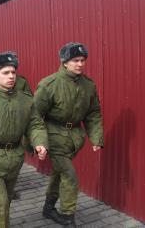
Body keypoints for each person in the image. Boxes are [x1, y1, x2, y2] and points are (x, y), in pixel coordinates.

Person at [0, 52, 48, 228]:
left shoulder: (26, 101)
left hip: (14, 159)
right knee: (0, 202)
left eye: (13, 72)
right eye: (5, 73)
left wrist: (39, 143)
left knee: (7, 200)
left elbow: (35, 125)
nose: (11, 76)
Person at [35, 43, 104, 227]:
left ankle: (48, 208)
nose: (80, 64)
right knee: (70, 176)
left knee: (59, 173)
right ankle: (67, 215)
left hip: (74, 138)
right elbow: (34, 116)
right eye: (75, 61)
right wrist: (39, 142)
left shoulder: (88, 85)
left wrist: (96, 138)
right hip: (53, 136)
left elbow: (93, 113)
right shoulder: (49, 84)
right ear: (65, 62)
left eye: (82, 60)